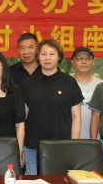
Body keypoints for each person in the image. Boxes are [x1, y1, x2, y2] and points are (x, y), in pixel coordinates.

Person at [22, 39, 83, 175]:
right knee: (33, 183)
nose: (47, 58)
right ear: (38, 57)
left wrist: (74, 144)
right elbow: (23, 117)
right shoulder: (28, 83)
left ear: (59, 57)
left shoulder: (69, 82)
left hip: (62, 145)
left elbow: (76, 116)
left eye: (52, 54)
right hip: (33, 146)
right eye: (43, 54)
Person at [71, 47, 103, 139]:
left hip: (97, 140)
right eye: (79, 58)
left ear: (93, 61)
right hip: (70, 139)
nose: (83, 61)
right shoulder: (65, 84)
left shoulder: (102, 85)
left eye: (87, 58)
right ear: (72, 62)